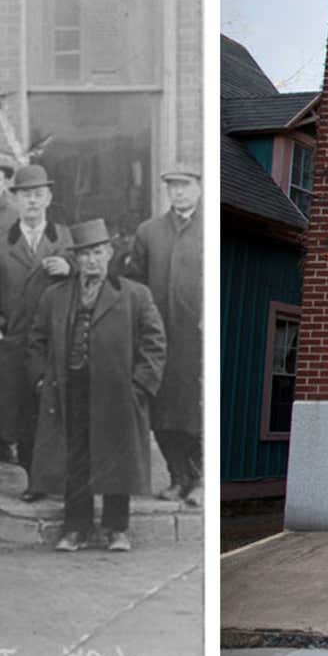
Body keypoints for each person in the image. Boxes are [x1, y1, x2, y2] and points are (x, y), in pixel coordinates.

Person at [29, 219, 165, 553]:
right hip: (70, 388)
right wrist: (42, 378)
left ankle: (117, 529)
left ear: (110, 253)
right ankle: (77, 528)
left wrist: (140, 387)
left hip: (118, 393)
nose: (92, 261)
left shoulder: (134, 295)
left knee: (116, 458)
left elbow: (155, 343)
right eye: (85, 254)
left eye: (98, 252)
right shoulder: (55, 296)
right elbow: (36, 339)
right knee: (75, 458)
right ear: (76, 259)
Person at [0, 164, 70, 501]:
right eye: (26, 195)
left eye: (38, 195)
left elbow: (96, 283)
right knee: (22, 416)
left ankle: (61, 478)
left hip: (57, 344)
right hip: (15, 345)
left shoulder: (67, 240)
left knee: (57, 411)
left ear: (50, 197)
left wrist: (69, 270)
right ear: (15, 199)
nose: (32, 202)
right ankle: (35, 481)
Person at [126, 166, 204, 504]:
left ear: (199, 188)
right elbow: (134, 282)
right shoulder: (149, 232)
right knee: (163, 410)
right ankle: (177, 476)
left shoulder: (208, 227)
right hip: (158, 338)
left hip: (197, 339)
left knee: (196, 410)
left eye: (185, 186)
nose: (179, 193)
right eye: (172, 187)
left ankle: (201, 479)